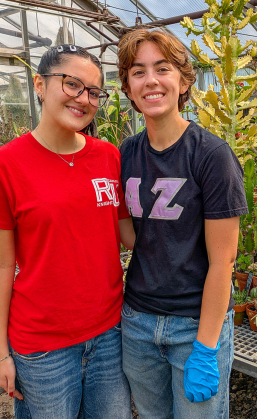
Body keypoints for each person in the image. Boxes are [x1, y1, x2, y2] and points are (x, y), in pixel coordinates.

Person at [117, 29, 248, 419]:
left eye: (162, 68)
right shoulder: (126, 153)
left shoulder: (211, 156)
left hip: (194, 326)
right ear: (127, 86)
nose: (151, 80)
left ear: (184, 79)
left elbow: (223, 263)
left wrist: (207, 349)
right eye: (138, 72)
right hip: (138, 322)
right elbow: (132, 240)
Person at [0, 45, 134, 418]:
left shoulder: (108, 156)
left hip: (109, 333)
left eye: (94, 92)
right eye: (72, 85)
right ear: (40, 84)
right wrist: (0, 353)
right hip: (43, 347)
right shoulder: (7, 165)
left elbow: (130, 235)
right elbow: (1, 267)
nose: (84, 100)